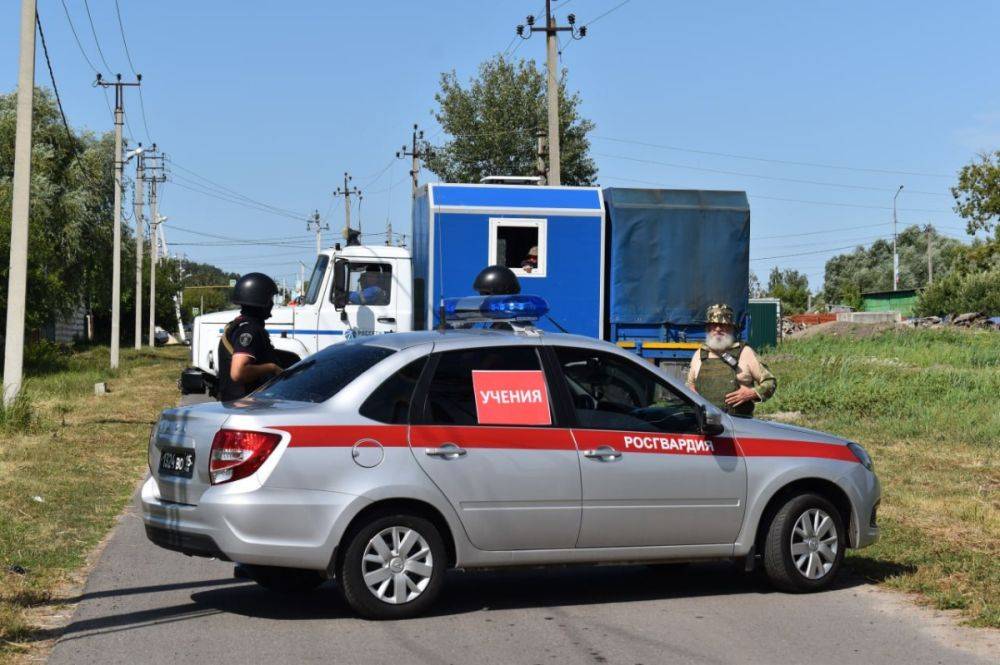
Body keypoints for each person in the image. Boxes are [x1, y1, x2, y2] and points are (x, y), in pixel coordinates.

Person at [686, 303, 776, 416]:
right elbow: (689, 385)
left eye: (723, 325)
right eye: (714, 325)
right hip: (705, 425)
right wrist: (691, 390)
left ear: (732, 328)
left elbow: (770, 382)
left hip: (738, 426)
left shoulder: (745, 352)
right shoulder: (699, 354)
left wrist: (752, 393)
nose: (718, 329)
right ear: (708, 328)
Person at [216, 272, 283, 401]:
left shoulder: (238, 325)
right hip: (245, 408)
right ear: (259, 299)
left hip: (239, 405)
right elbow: (238, 372)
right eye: (270, 299)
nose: (272, 304)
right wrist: (272, 368)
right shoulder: (249, 329)